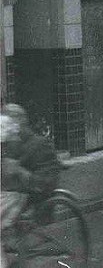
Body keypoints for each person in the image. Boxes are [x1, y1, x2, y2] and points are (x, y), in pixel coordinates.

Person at [1, 104, 61, 267]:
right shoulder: (11, 143)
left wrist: (19, 172)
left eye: (9, 121)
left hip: (30, 196)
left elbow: (45, 181)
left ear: (20, 122)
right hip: (13, 193)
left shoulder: (38, 144)